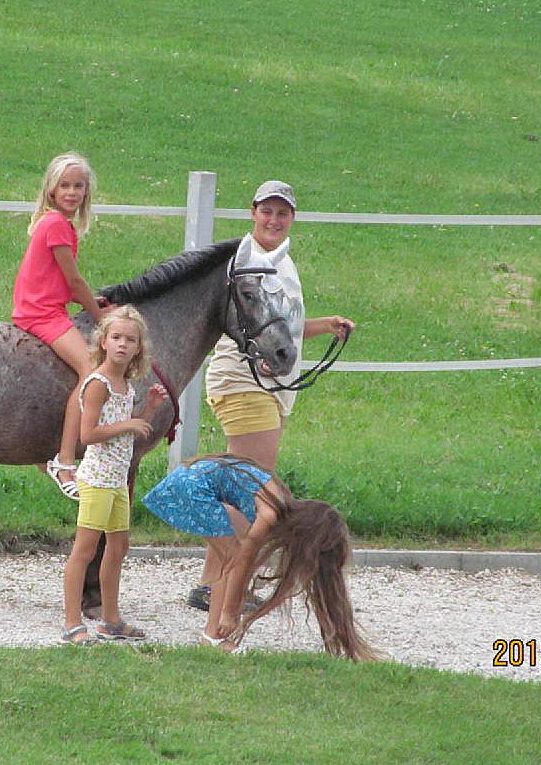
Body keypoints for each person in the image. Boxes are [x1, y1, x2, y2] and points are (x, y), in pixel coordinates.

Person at [189, 180, 355, 611]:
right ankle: (222, 584)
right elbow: (242, 325)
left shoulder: (280, 261)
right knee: (251, 490)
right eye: (267, 211)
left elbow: (276, 326)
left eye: (282, 213)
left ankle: (213, 581)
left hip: (268, 387)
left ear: (292, 218)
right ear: (253, 212)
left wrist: (324, 325)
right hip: (246, 381)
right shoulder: (249, 262)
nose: (274, 220)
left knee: (243, 485)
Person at [143, 455, 377, 659]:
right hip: (192, 487)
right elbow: (243, 560)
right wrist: (230, 613)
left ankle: (211, 635)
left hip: (189, 480)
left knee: (227, 556)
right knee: (231, 558)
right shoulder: (270, 512)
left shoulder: (279, 498)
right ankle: (213, 636)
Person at [61, 305, 168, 645]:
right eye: (117, 337)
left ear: (139, 347)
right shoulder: (98, 384)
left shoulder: (125, 384)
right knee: (85, 550)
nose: (123, 344)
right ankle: (73, 624)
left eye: (130, 339)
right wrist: (128, 423)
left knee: (118, 546)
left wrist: (148, 409)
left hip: (117, 481)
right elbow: (88, 435)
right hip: (97, 480)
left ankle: (110, 619)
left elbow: (129, 429)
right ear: (103, 342)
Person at [12, 151, 113, 499]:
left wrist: (92, 303)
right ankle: (65, 460)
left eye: (78, 186)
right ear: (52, 190)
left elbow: (56, 280)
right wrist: (102, 319)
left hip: (45, 306)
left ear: (87, 192)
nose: (71, 192)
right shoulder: (56, 224)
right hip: (41, 313)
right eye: (65, 185)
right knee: (91, 372)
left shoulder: (55, 223)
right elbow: (73, 281)